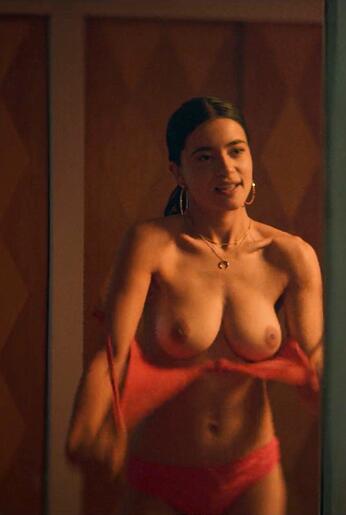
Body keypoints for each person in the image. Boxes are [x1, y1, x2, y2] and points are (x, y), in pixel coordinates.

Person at [66, 96, 323, 515]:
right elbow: (112, 355)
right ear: (178, 172)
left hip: (252, 472)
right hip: (161, 473)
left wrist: (338, 402)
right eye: (205, 157)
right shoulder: (151, 245)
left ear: (250, 157)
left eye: (236, 151)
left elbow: (313, 359)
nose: (226, 168)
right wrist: (85, 426)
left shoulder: (290, 255)